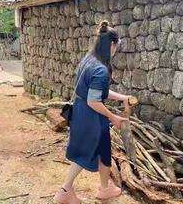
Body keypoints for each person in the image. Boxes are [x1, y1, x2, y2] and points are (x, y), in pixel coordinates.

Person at [54, 21, 134, 204]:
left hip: (81, 112)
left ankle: (104, 188)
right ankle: (65, 191)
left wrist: (122, 97)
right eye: (117, 46)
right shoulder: (100, 69)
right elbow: (94, 100)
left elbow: (94, 93)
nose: (116, 50)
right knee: (88, 152)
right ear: (112, 45)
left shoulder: (88, 59)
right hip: (92, 116)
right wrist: (113, 117)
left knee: (100, 151)